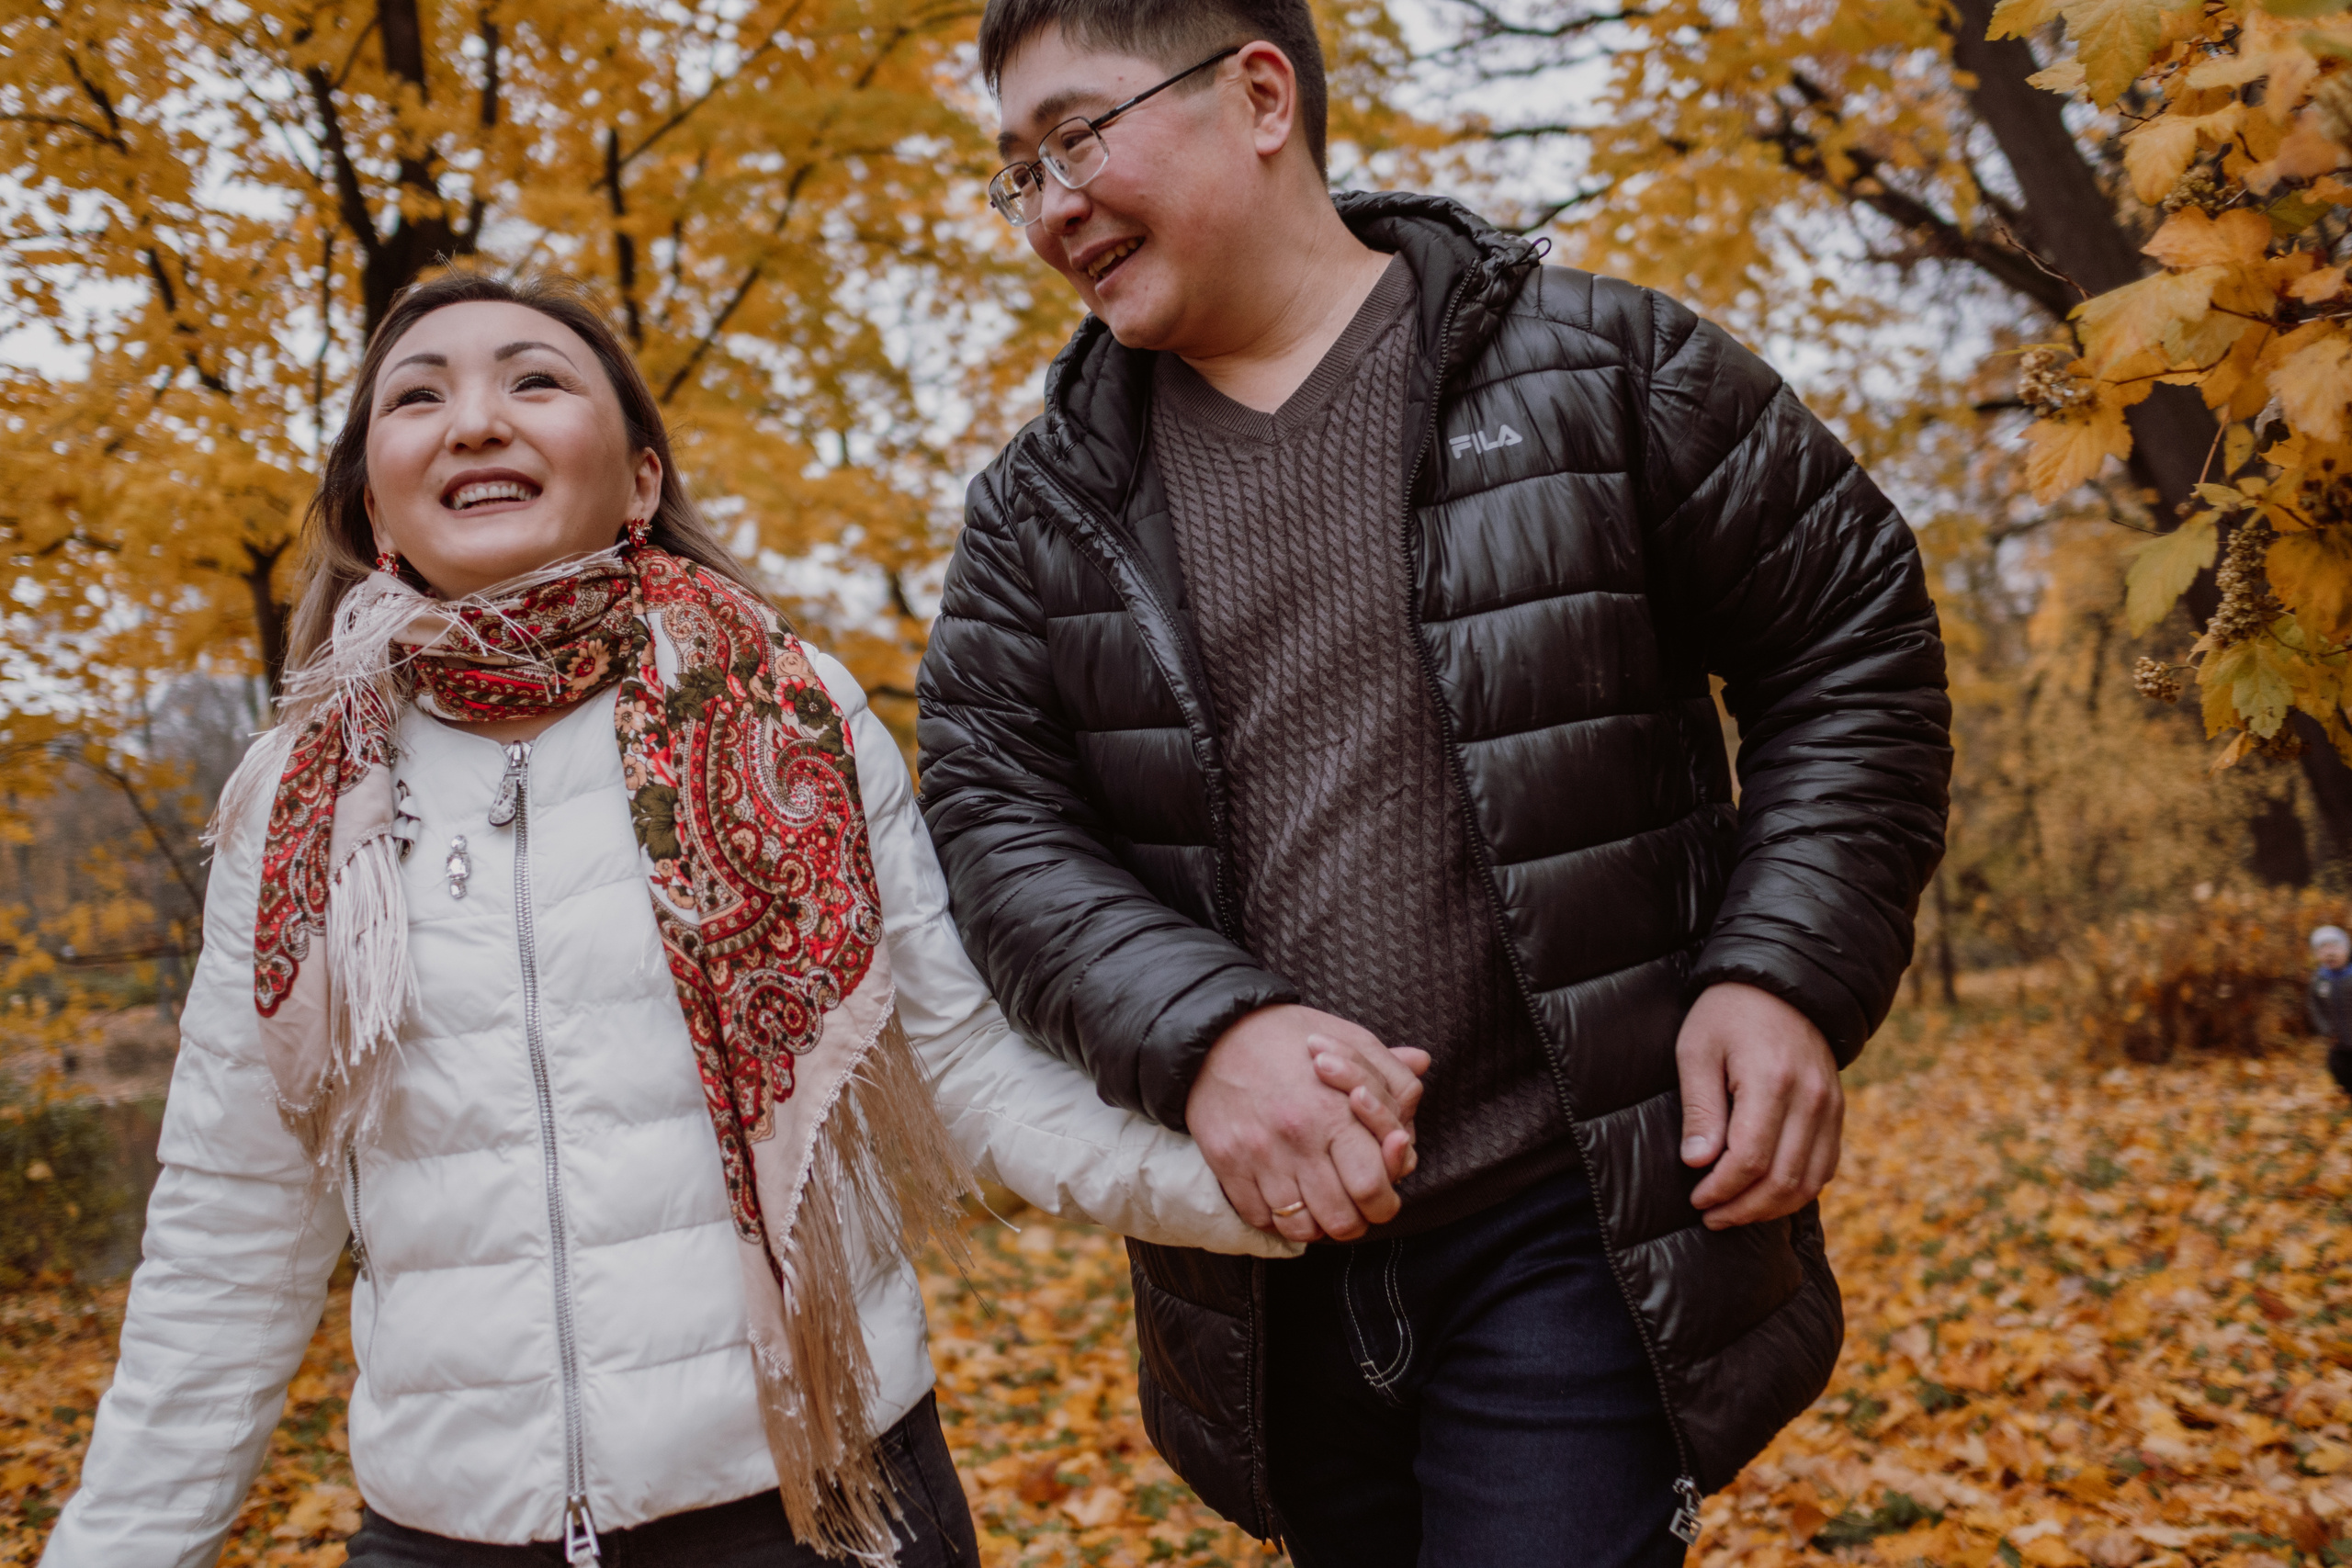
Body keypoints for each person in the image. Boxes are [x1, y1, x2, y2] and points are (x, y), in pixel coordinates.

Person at [41, 269, 1323, 1568]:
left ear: (642, 482)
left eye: (534, 379)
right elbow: (232, 1227)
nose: (475, 420)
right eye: (416, 398)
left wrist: (1277, 1168)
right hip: (450, 1531)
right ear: (378, 502)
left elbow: (969, 1070)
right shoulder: (299, 801)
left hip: (826, 1508)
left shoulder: (797, 711)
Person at [913, 3, 1954, 1563]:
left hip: (1577, 1220)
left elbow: (1849, 636)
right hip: (1260, 1265)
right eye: (1016, 171)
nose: (1048, 202)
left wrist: (1781, 972)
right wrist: (1208, 1035)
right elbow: (997, 828)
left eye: (1076, 135)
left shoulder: (1606, 368)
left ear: (1258, 95)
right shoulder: (1037, 513)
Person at [2309, 925, 2352, 1097]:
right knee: (2338, 1065)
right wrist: (2325, 1029)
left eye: (2335, 947)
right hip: (2338, 1036)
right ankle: (2348, 1090)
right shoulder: (2319, 979)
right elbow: (2314, 1006)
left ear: (2347, 949)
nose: (2329, 953)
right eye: (2323, 949)